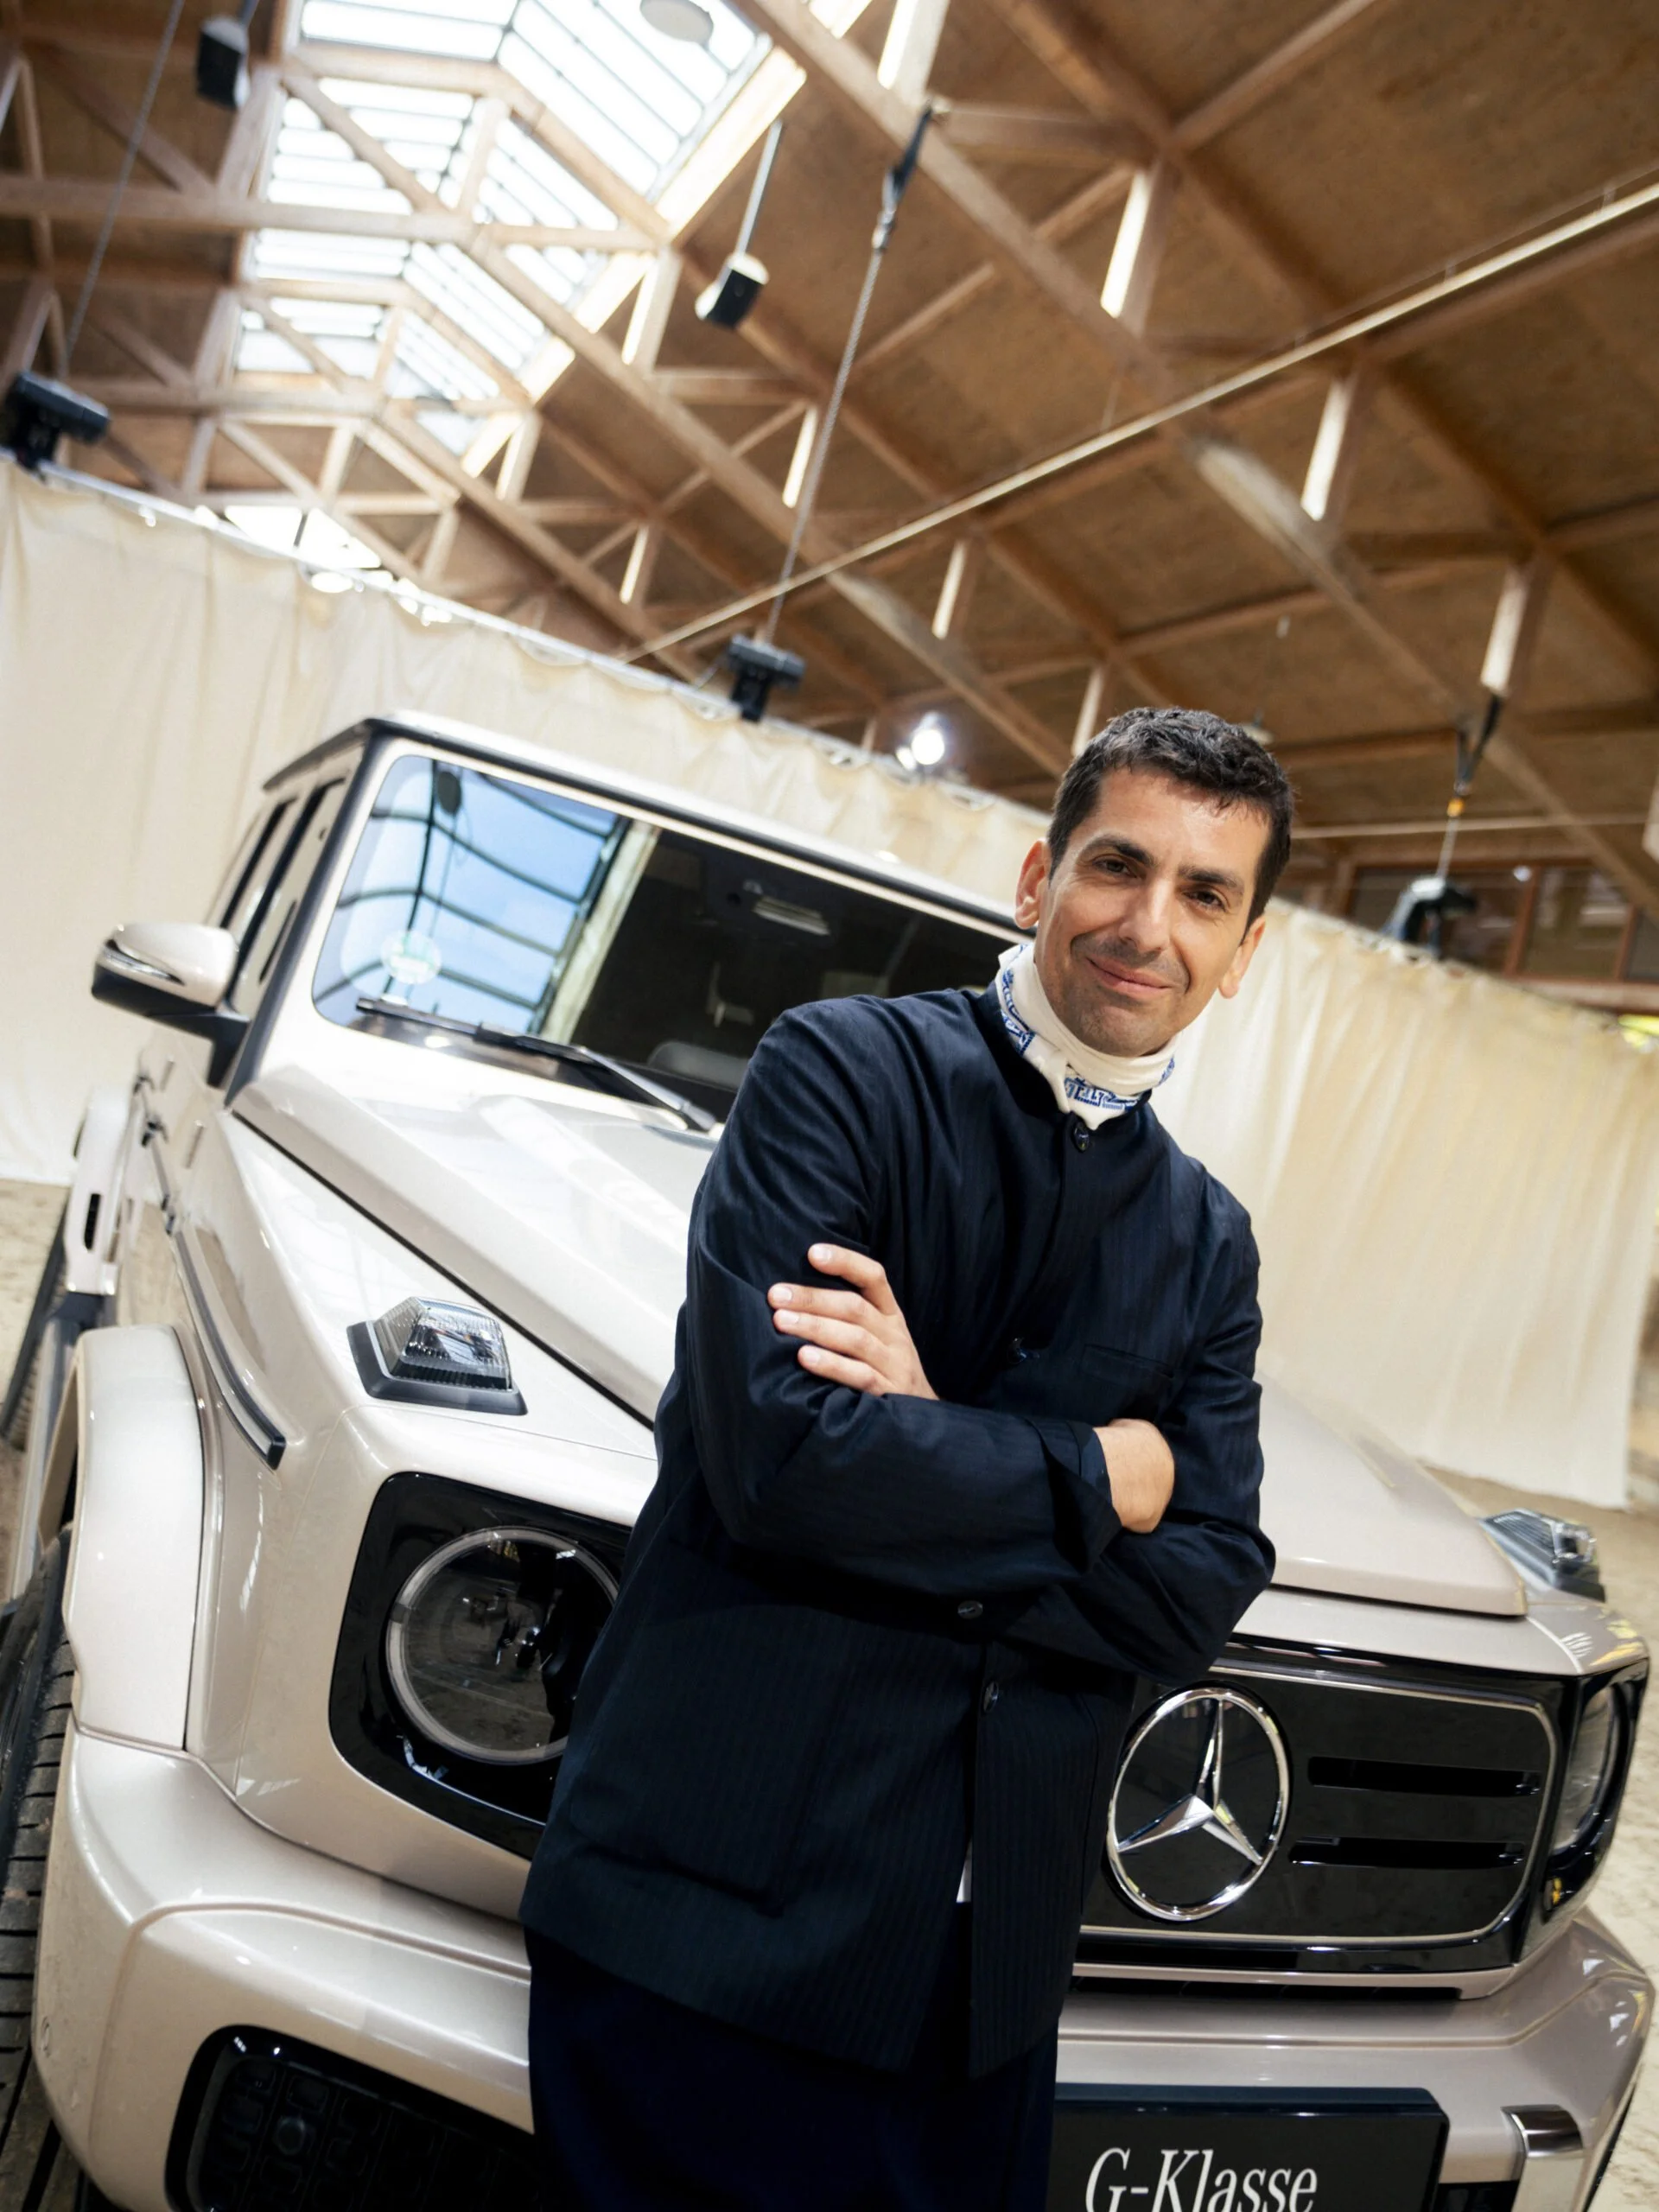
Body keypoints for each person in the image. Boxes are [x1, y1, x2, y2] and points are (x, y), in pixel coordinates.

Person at [520, 705, 1294, 2210]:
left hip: (980, 1992)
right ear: (1038, 878)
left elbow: (1200, 1587)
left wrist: (929, 1441)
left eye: (1205, 894)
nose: (1149, 926)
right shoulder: (839, 1075)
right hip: (705, 1926)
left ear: (1244, 949)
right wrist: (1101, 1477)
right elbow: (787, 1462)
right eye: (1117, 866)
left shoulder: (1210, 1244)